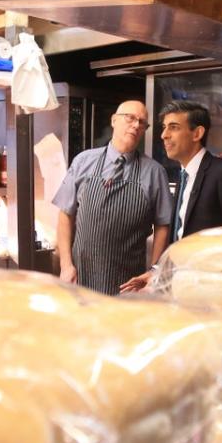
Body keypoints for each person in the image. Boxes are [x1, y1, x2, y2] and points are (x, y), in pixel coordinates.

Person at [120, 100, 222, 292]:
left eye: (173, 127)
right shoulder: (182, 176)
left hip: (213, 290)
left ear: (197, 133)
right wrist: (156, 272)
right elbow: (179, 236)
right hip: (184, 288)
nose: (164, 135)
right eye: (164, 128)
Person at [52, 100, 172, 296]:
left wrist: (153, 273)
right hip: (81, 277)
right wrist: (66, 265)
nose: (136, 125)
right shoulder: (84, 161)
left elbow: (163, 226)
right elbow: (65, 214)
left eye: (142, 123)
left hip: (127, 283)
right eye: (130, 118)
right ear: (114, 120)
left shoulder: (155, 172)